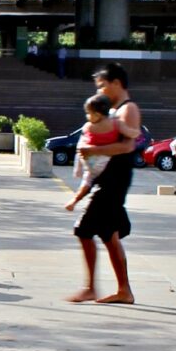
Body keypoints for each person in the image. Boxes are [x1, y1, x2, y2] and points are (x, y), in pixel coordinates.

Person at [68, 65, 140, 305]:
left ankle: (92, 288)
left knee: (83, 229)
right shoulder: (111, 111)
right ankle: (123, 290)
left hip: (114, 181)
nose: (100, 90)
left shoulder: (127, 110)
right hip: (107, 179)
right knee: (109, 235)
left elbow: (128, 146)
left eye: (102, 85)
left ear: (117, 82)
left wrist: (93, 150)